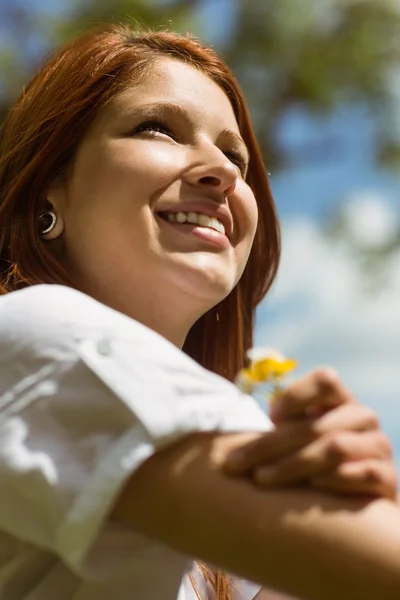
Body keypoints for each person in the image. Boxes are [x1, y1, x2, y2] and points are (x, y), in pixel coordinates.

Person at [0, 22, 398, 600]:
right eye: (157, 129)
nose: (224, 172)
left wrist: (349, 500)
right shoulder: (31, 340)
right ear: (48, 192)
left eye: (234, 153)